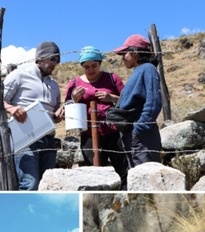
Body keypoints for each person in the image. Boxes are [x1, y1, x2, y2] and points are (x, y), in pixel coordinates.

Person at [65, 46, 128, 189]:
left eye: (94, 66)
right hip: (88, 134)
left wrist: (111, 97)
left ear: (100, 63)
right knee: (94, 172)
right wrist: (74, 99)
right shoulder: (74, 84)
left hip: (113, 132)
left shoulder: (112, 79)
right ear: (81, 66)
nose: (91, 70)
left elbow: (126, 100)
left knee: (122, 169)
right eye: (86, 67)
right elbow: (67, 108)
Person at [3, 41, 64, 190]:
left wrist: (58, 114)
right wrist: (11, 108)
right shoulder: (19, 75)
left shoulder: (54, 85)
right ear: (40, 57)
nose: (55, 64)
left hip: (49, 140)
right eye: (52, 59)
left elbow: (55, 111)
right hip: (26, 140)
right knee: (30, 184)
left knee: (46, 186)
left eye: (58, 60)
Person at [112, 34, 162, 168]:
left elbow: (153, 102)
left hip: (143, 138)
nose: (123, 57)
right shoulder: (139, 71)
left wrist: (139, 129)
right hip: (135, 136)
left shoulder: (148, 69)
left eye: (125, 53)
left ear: (135, 52)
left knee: (146, 178)